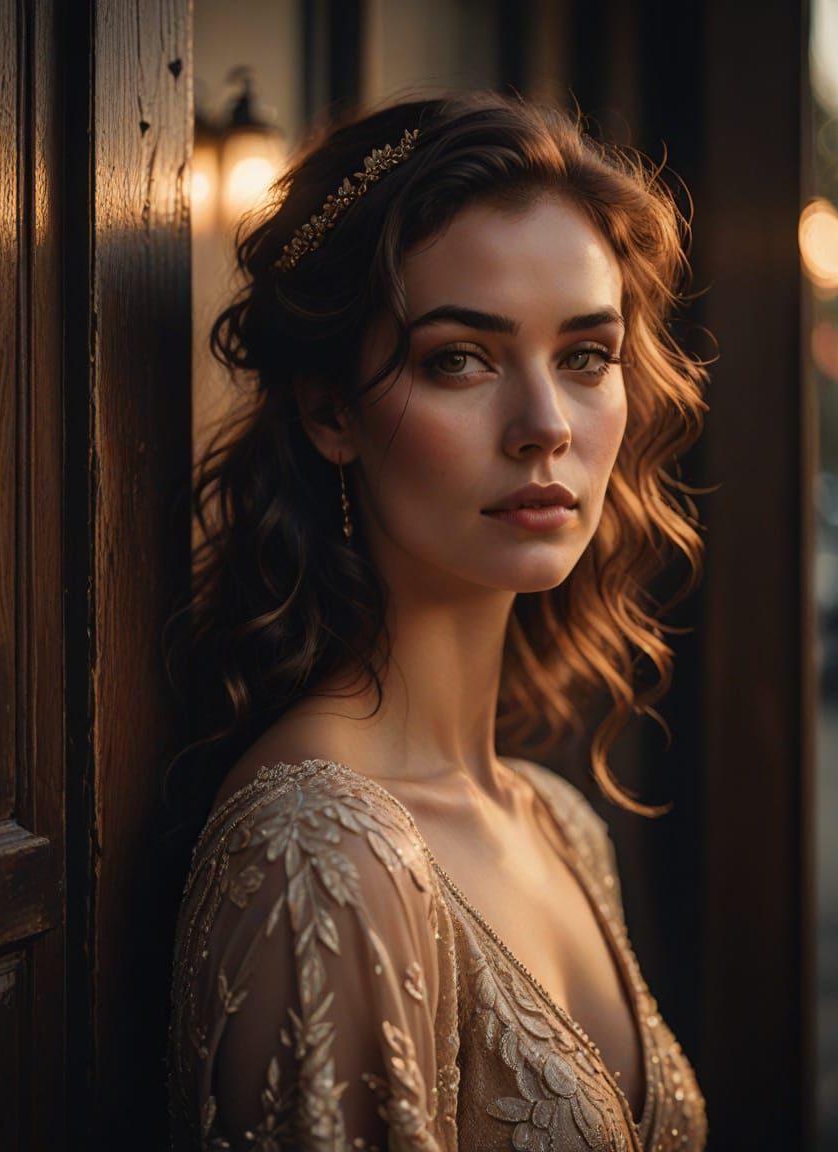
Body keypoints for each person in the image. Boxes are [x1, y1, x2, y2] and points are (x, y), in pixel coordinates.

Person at [167, 90, 710, 1151]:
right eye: (459, 357)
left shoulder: (559, 824)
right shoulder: (314, 853)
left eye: (585, 356)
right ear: (331, 409)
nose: (544, 428)